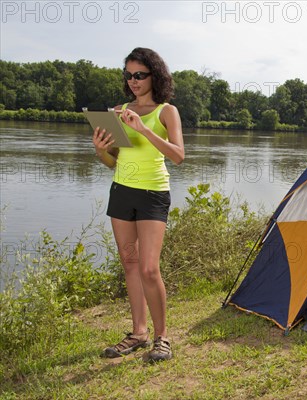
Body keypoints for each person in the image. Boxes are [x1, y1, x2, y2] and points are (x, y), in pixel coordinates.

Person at [92, 47, 184, 362]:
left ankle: (162, 337)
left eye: (139, 75)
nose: (133, 81)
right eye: (129, 75)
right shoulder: (118, 111)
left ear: (154, 76)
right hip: (121, 192)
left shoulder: (166, 111)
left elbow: (178, 156)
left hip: (153, 194)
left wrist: (143, 129)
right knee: (130, 265)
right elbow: (112, 162)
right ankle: (138, 333)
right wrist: (101, 150)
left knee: (148, 268)